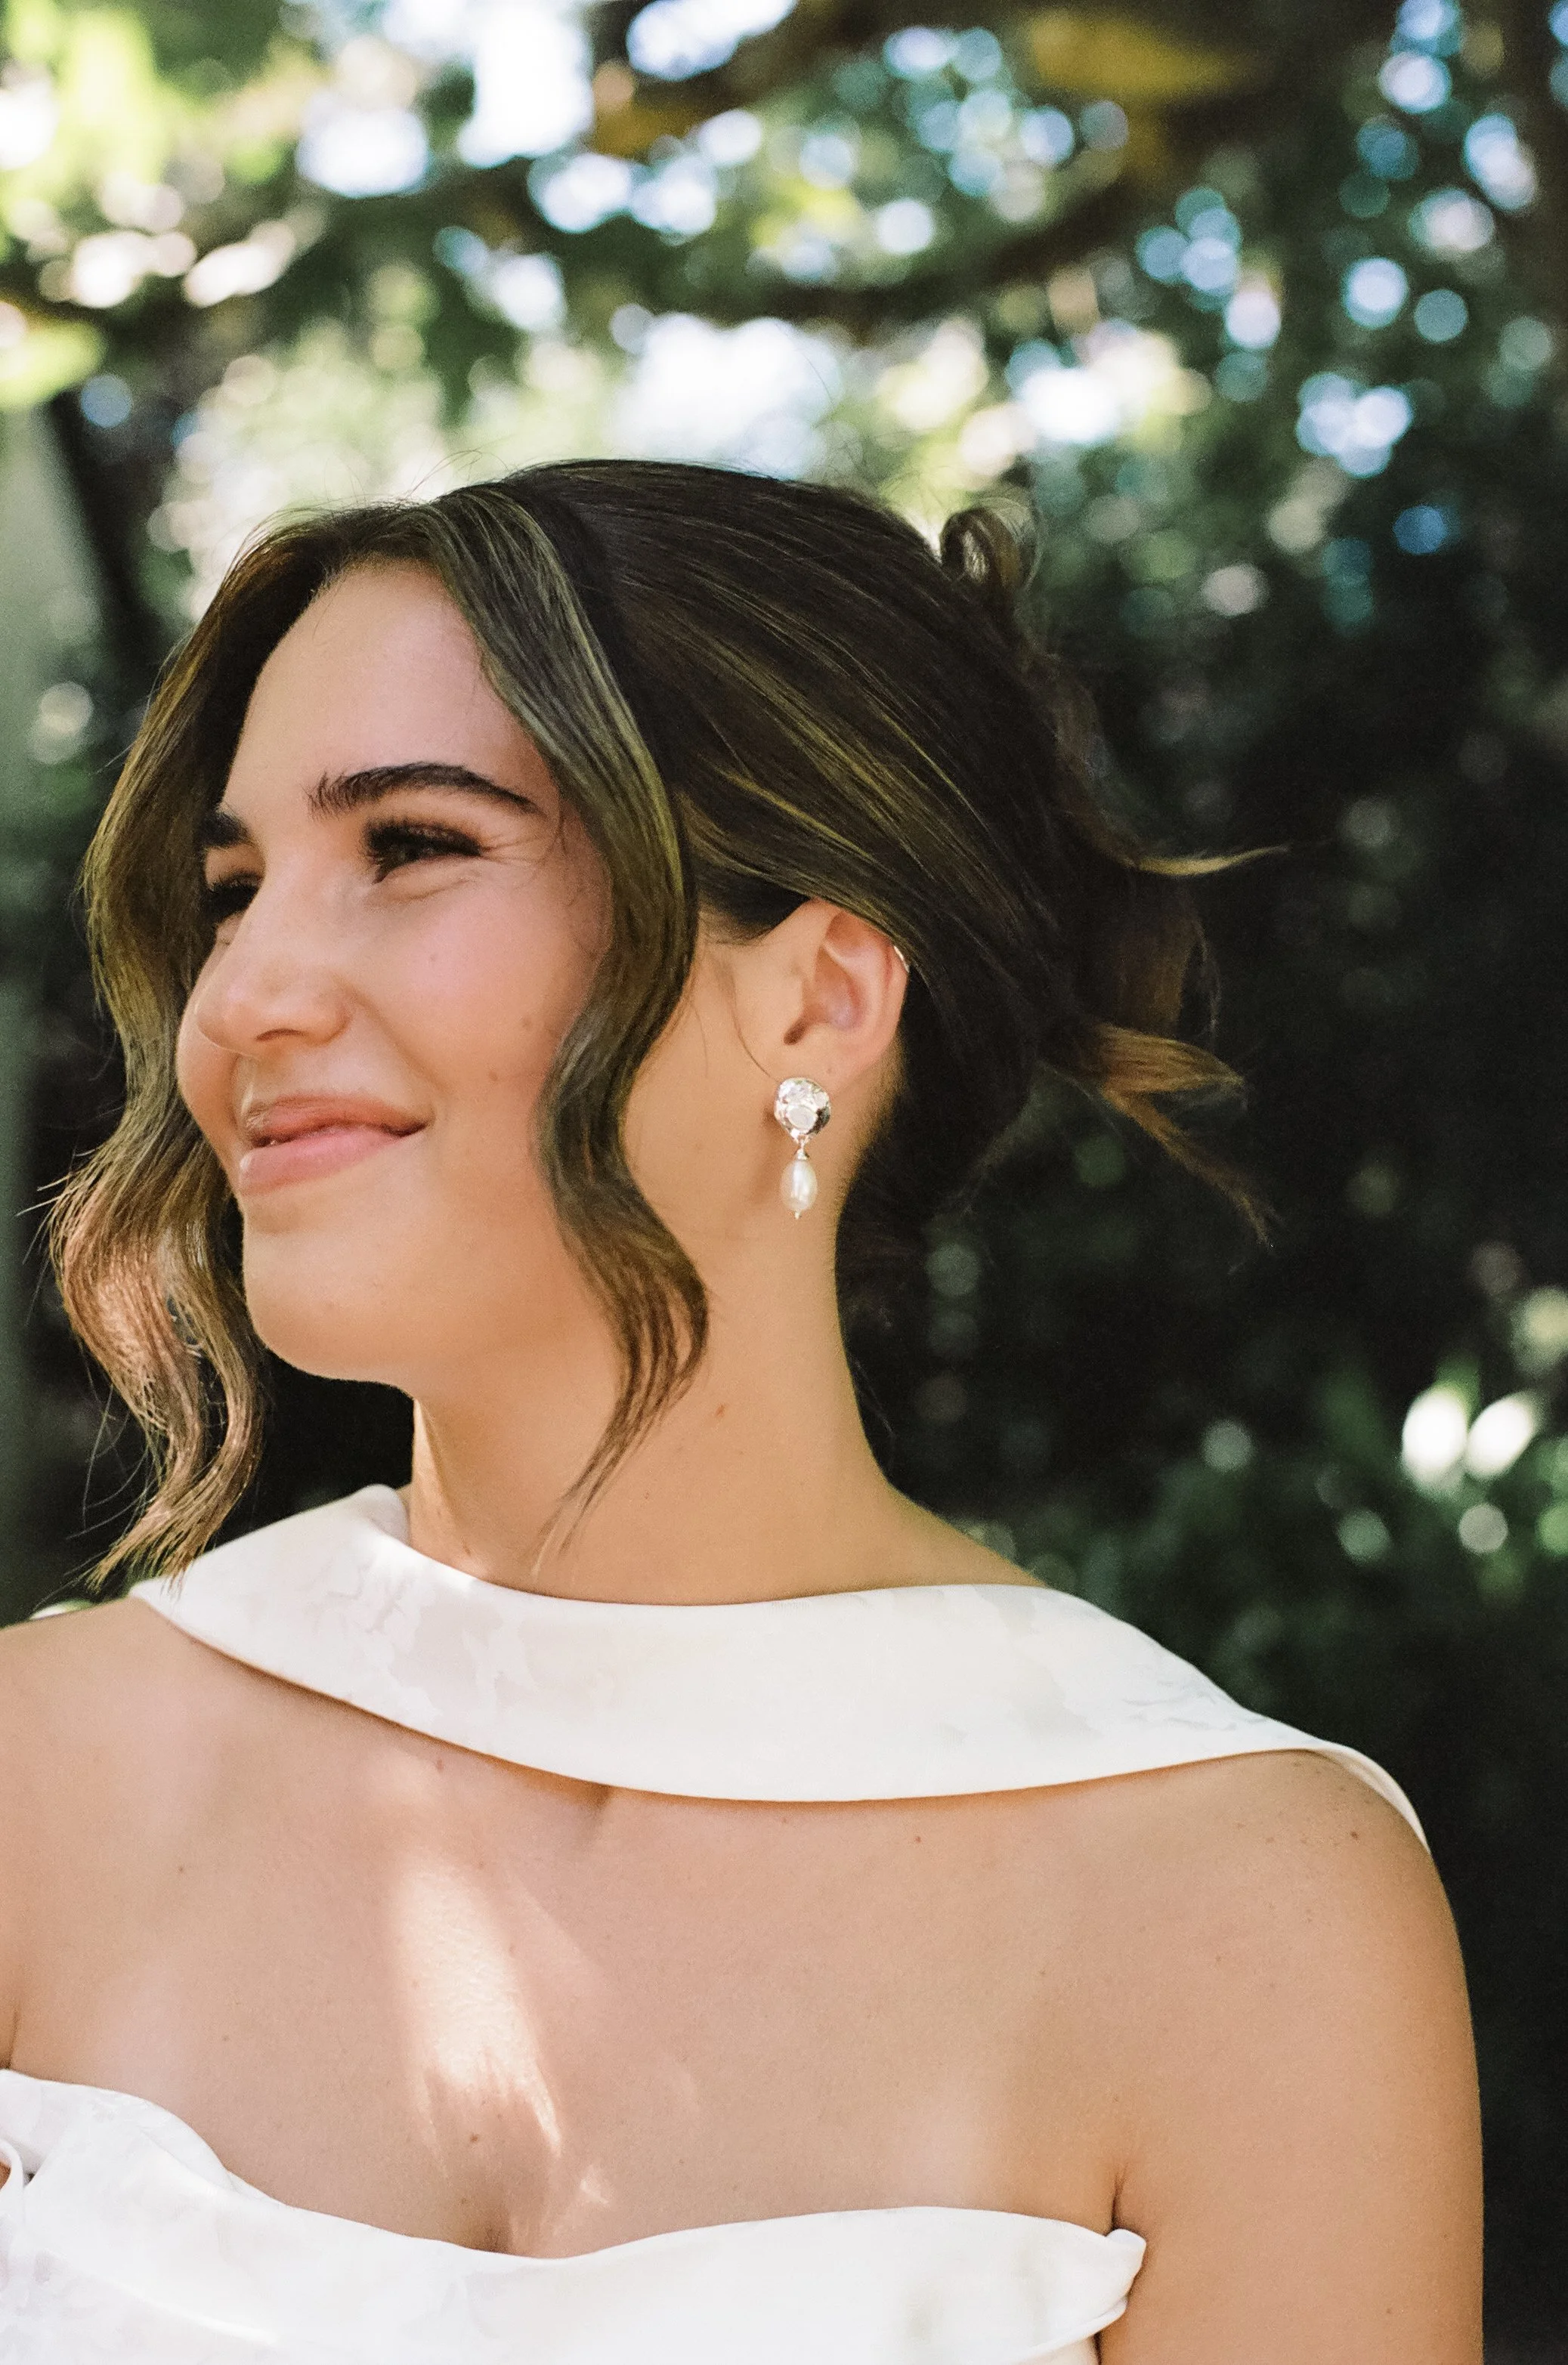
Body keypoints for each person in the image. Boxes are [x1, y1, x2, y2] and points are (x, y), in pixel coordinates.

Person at [0, 462, 1480, 2361]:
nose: (244, 1000)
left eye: (415, 845)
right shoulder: (42, 1777)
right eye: (231, 889)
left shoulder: (1242, 1912)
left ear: (820, 999)